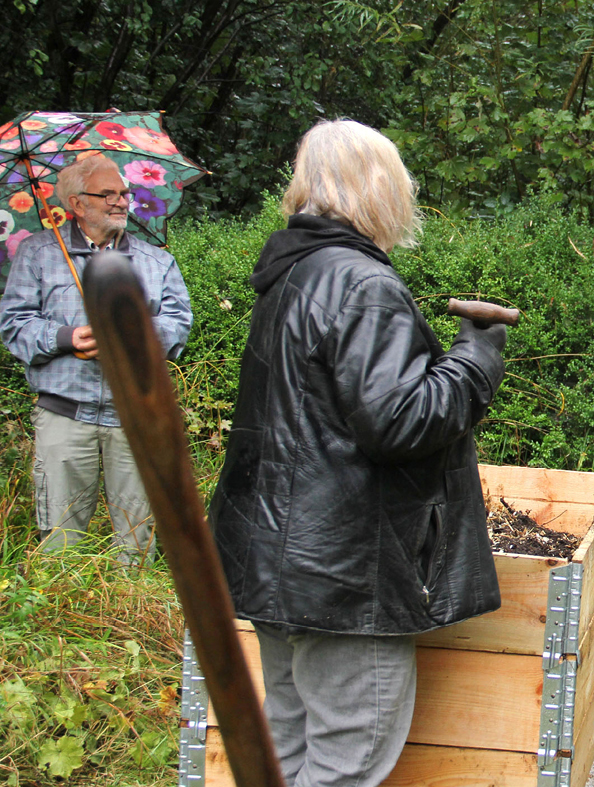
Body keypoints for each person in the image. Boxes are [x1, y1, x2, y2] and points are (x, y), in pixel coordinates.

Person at [208, 120, 506, 787]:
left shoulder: (289, 273)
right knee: (346, 760)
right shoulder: (362, 285)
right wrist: (476, 358)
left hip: (282, 562)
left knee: (286, 746)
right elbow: (400, 422)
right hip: (344, 574)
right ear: (381, 189)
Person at [0, 153, 191, 564]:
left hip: (136, 417)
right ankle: (59, 620)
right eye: (107, 194)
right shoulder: (36, 254)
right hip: (64, 415)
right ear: (77, 204)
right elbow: (14, 325)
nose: (121, 201)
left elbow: (178, 326)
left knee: (137, 542)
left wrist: (130, 337)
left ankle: (132, 622)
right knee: (60, 542)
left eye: (124, 192)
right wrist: (67, 337)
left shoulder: (157, 261)